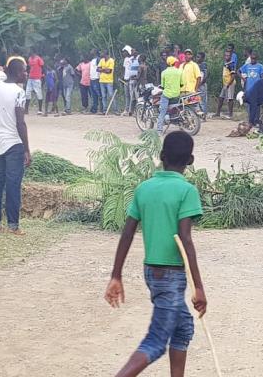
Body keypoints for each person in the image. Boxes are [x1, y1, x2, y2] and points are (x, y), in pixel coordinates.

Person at [105, 131, 206, 377]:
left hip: (152, 273)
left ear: (161, 156)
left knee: (183, 328)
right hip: (171, 276)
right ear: (190, 160)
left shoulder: (144, 189)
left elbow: (127, 234)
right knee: (156, 342)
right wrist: (199, 287)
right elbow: (185, 238)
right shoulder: (186, 190)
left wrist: (116, 275)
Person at [0, 59, 31, 236]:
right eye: (24, 71)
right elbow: (20, 123)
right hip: (14, 144)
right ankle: (13, 225)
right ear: (17, 72)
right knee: (13, 184)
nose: (26, 74)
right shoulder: (19, 92)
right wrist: (26, 149)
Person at [157, 56, 183, 134]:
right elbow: (181, 84)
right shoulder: (179, 72)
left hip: (166, 95)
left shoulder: (164, 72)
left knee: (162, 111)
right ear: (174, 63)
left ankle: (159, 130)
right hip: (176, 95)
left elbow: (162, 86)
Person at [215, 49, 237, 120]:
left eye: (228, 55)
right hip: (225, 83)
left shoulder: (231, 64)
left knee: (230, 98)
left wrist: (228, 84)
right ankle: (217, 113)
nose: (226, 57)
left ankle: (230, 114)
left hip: (230, 83)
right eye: (225, 55)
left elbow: (233, 76)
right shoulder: (225, 63)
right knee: (221, 97)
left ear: (231, 56)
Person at [98, 49, 118, 114]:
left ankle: (115, 110)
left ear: (105, 54)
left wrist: (102, 69)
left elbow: (109, 71)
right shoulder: (101, 60)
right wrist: (105, 69)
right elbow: (97, 69)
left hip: (109, 80)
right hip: (102, 80)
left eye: (102, 53)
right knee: (103, 96)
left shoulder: (111, 60)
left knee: (111, 95)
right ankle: (105, 110)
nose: (101, 54)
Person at [26, 50, 45, 115]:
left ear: (34, 53)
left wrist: (43, 75)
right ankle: (26, 109)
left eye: (31, 53)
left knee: (38, 93)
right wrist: (27, 73)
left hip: (37, 79)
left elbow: (43, 67)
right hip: (30, 78)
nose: (30, 54)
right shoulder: (29, 59)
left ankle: (40, 110)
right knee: (27, 93)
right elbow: (29, 67)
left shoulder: (38, 59)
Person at [123, 46, 139, 116]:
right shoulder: (129, 59)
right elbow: (126, 69)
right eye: (131, 51)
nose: (132, 52)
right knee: (129, 96)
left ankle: (136, 110)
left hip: (134, 80)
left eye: (133, 51)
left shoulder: (138, 59)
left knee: (135, 96)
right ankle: (128, 110)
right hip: (128, 80)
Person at [196, 52, 208, 116]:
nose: (197, 58)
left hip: (202, 85)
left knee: (202, 101)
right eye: (196, 57)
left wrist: (200, 84)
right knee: (198, 100)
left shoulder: (203, 64)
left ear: (202, 58)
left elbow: (205, 76)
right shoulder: (196, 65)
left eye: (198, 57)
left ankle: (204, 115)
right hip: (197, 85)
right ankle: (200, 114)